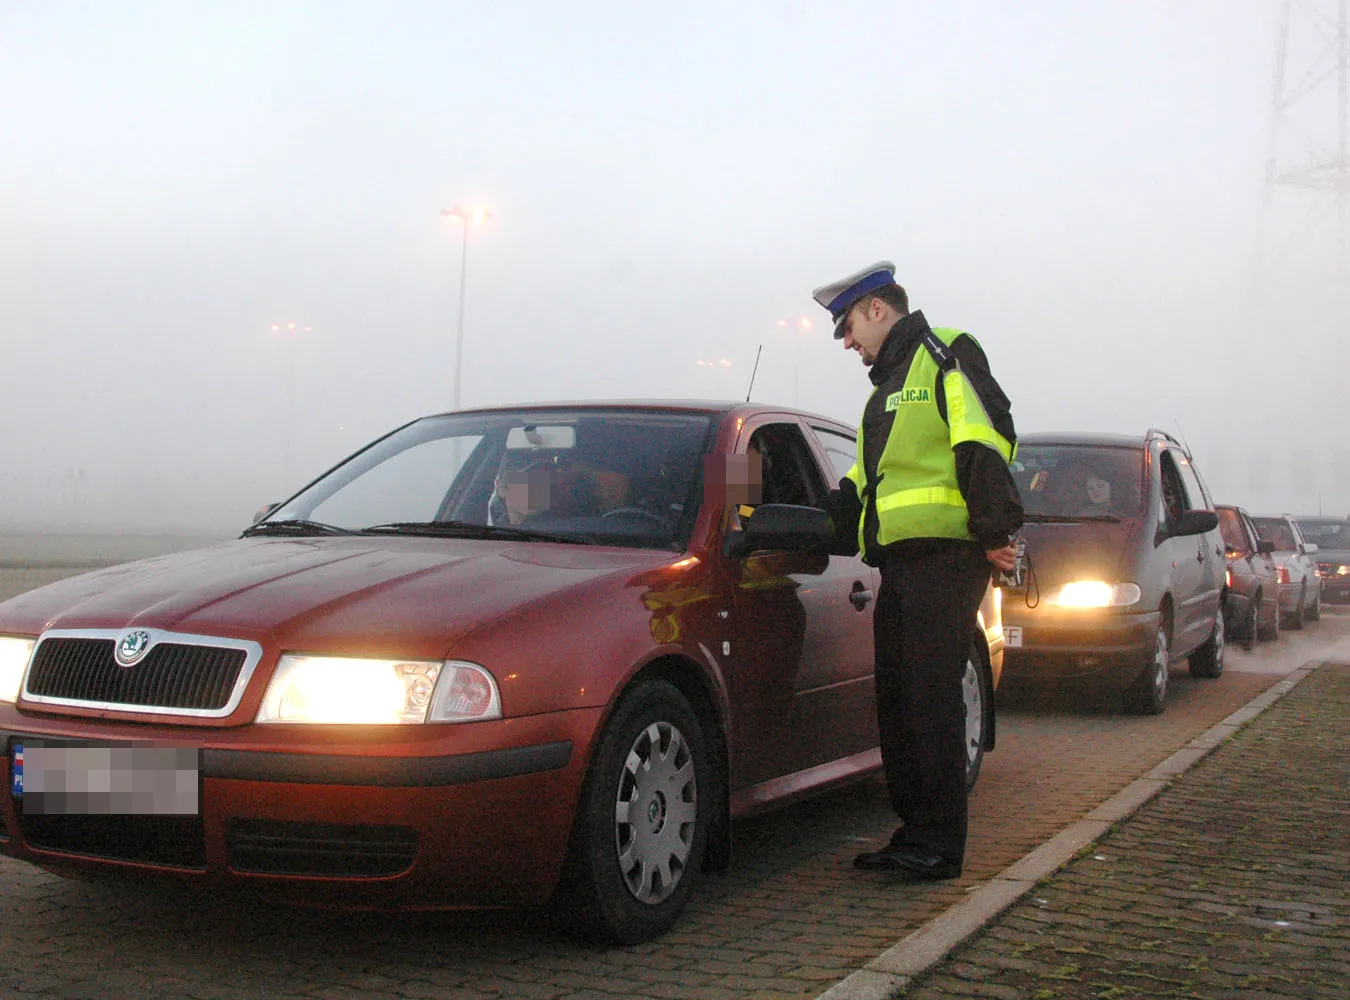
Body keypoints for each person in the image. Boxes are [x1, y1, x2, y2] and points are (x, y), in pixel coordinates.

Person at [812, 261, 1023, 882]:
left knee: (931, 700)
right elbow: (867, 480)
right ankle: (915, 832)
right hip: (902, 564)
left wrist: (995, 530)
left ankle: (939, 845)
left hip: (947, 558)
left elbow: (984, 437)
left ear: (877, 309)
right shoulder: (884, 393)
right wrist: (820, 517)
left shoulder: (944, 352)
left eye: (849, 327)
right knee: (899, 699)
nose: (848, 343)